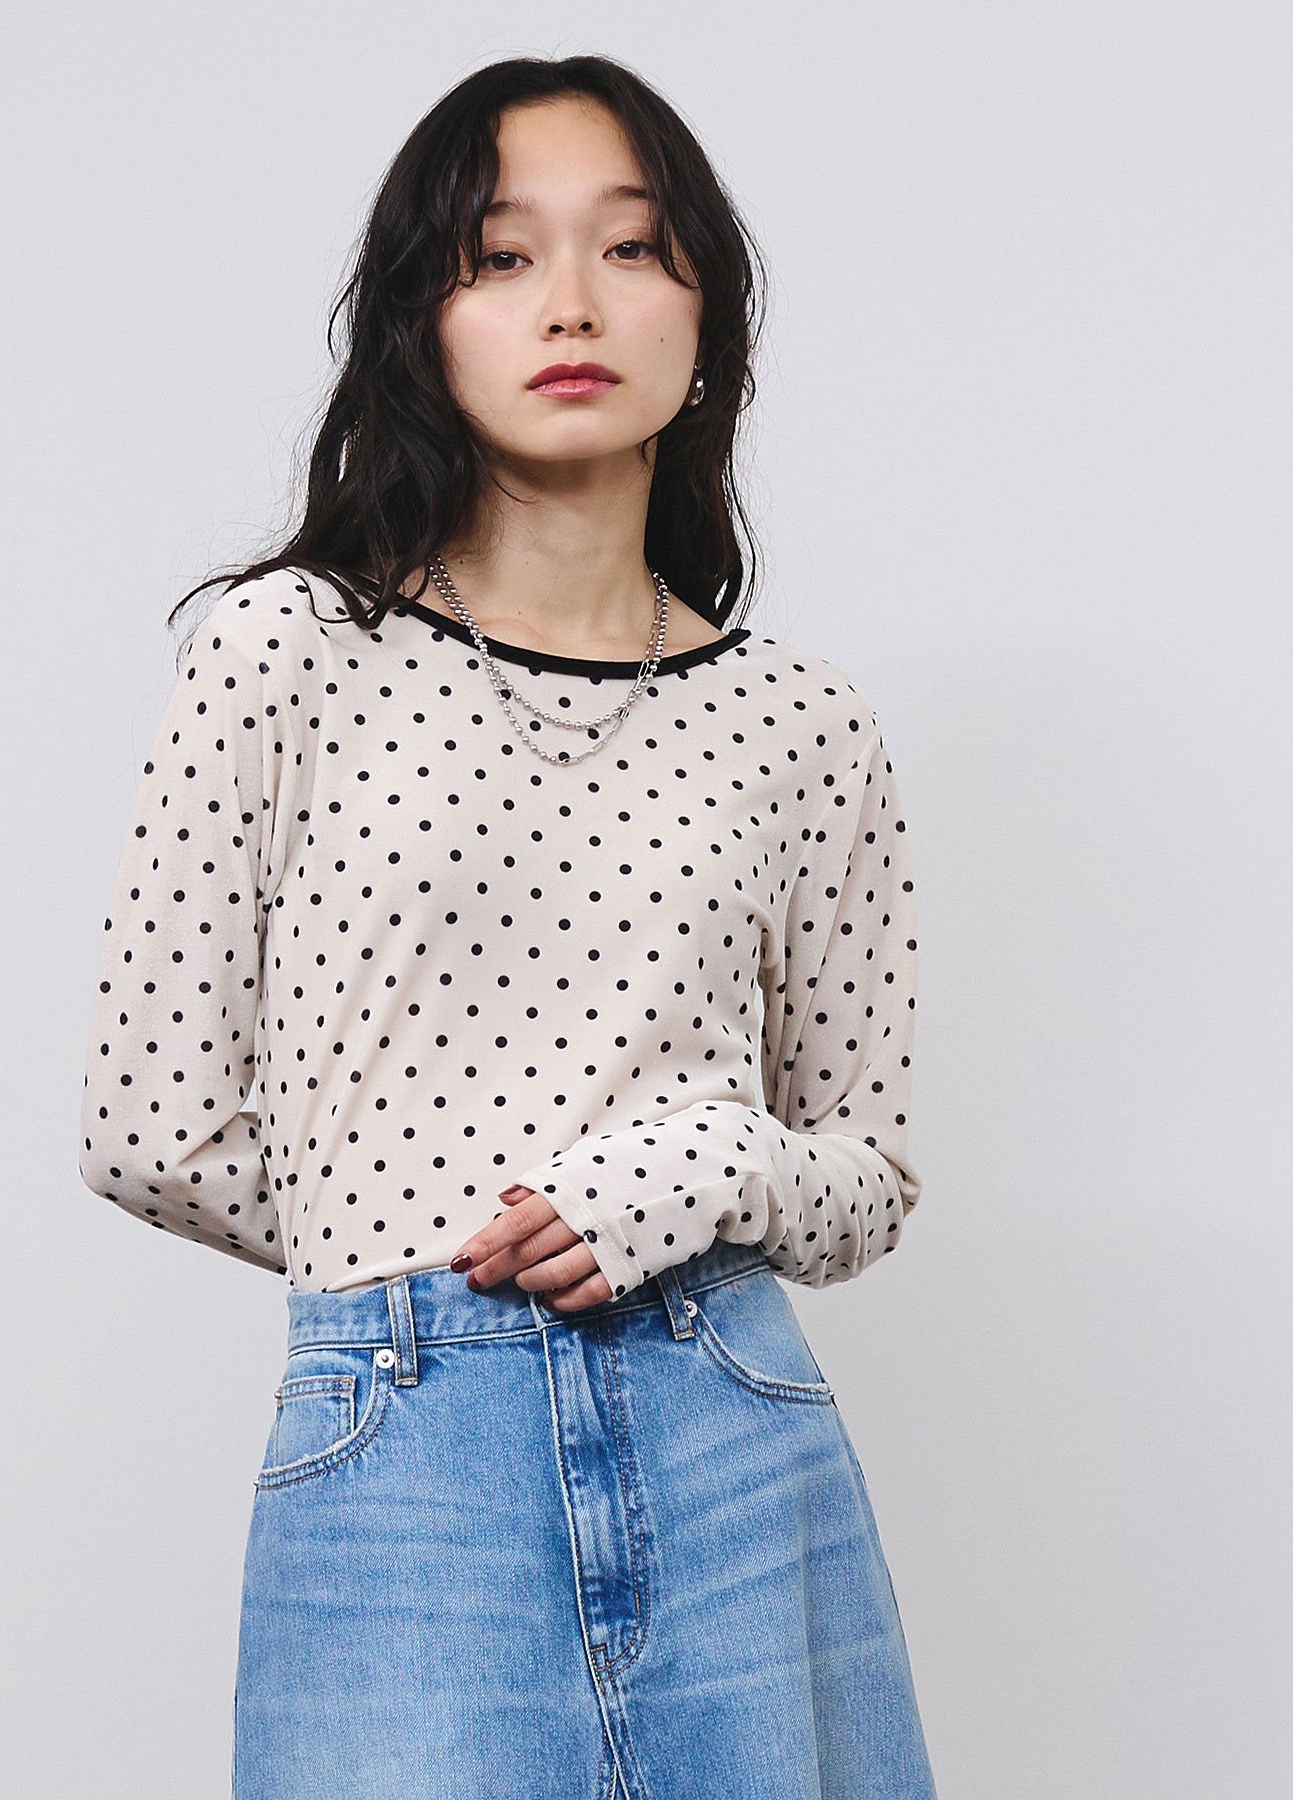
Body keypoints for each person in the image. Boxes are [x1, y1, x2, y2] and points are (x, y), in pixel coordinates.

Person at [78, 52, 939, 1800]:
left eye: (631, 247)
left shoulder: (804, 722)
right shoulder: (285, 650)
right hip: (408, 1455)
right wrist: (440, 1258)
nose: (570, 303)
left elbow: (868, 1173)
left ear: (708, 314)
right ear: (425, 319)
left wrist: (705, 1174)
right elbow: (148, 1128)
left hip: (734, 1425)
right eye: (498, 256)